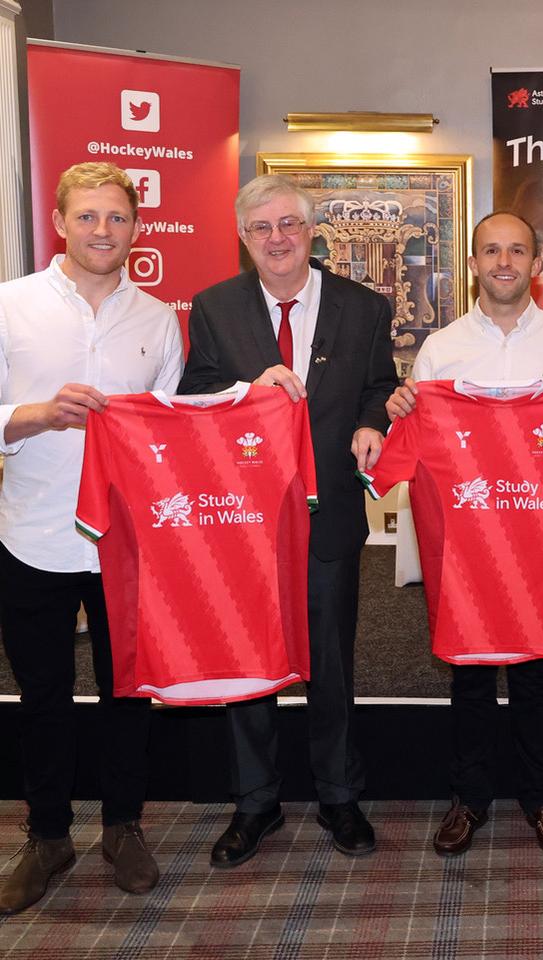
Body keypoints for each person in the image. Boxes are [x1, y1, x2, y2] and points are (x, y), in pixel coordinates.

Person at [179, 174, 397, 866]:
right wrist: (250, 387)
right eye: (261, 229)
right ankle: (255, 803)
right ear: (244, 239)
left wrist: (371, 428)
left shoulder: (362, 307)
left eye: (289, 226)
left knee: (331, 661)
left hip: (329, 511)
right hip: (244, 521)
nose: (277, 239)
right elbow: (195, 392)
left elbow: (380, 385)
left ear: (312, 234)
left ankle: (339, 795)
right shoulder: (214, 307)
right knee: (249, 662)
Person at [386, 211, 543, 857]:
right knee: (468, 676)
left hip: (539, 546)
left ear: (534, 262)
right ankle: (470, 798)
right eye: (492, 251)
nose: (505, 262)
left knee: (536, 674)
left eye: (516, 250)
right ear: (473, 264)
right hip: (467, 544)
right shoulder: (440, 350)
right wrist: (404, 406)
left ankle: (542, 797)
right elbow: (417, 446)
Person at [0, 162, 184, 914]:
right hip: (32, 534)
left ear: (136, 228)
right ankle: (46, 836)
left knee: (128, 696)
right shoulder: (9, 306)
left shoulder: (159, 319)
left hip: (127, 543)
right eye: (87, 217)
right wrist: (39, 413)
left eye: (116, 217)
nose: (102, 231)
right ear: (60, 221)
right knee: (41, 695)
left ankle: (121, 828)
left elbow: (174, 432)